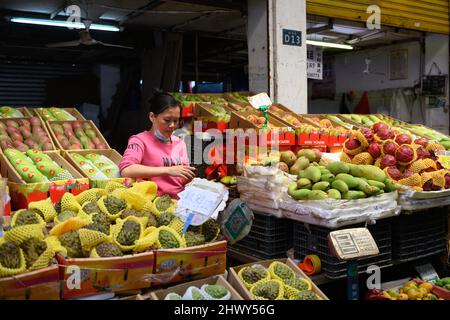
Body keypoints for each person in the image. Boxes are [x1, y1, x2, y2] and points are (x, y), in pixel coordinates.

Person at [119, 91, 196, 199]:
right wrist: (169, 170)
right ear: (152, 117)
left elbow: (181, 178)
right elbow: (126, 170)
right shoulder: (139, 140)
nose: (172, 125)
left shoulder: (180, 143)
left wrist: (187, 177)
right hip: (152, 203)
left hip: (179, 203)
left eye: (176, 120)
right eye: (167, 120)